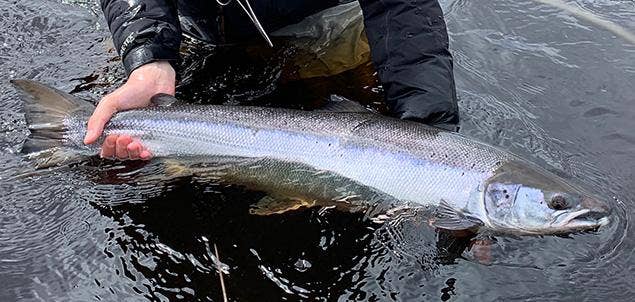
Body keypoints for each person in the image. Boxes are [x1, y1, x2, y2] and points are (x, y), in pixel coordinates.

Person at [85, 0, 459, 160]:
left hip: (318, 22)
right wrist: (149, 56)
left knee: (358, 94)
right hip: (190, 22)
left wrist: (430, 134)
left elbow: (405, 11)